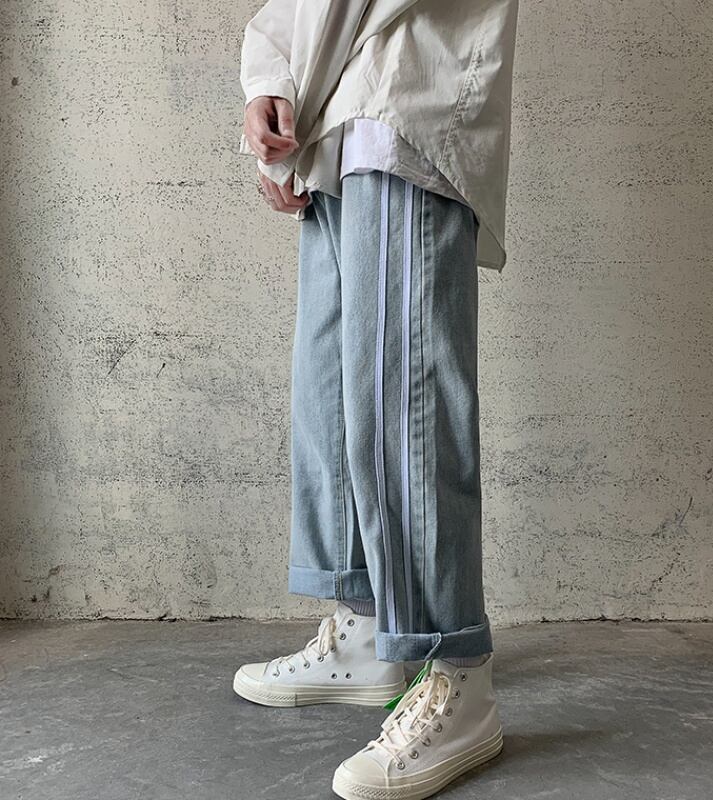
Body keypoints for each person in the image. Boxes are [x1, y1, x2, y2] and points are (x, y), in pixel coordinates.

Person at [233, 2, 518, 797]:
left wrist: (293, 106)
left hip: (404, 100)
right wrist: (269, 81)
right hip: (337, 114)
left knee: (406, 402)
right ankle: (368, 628)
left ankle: (455, 671)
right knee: (333, 386)